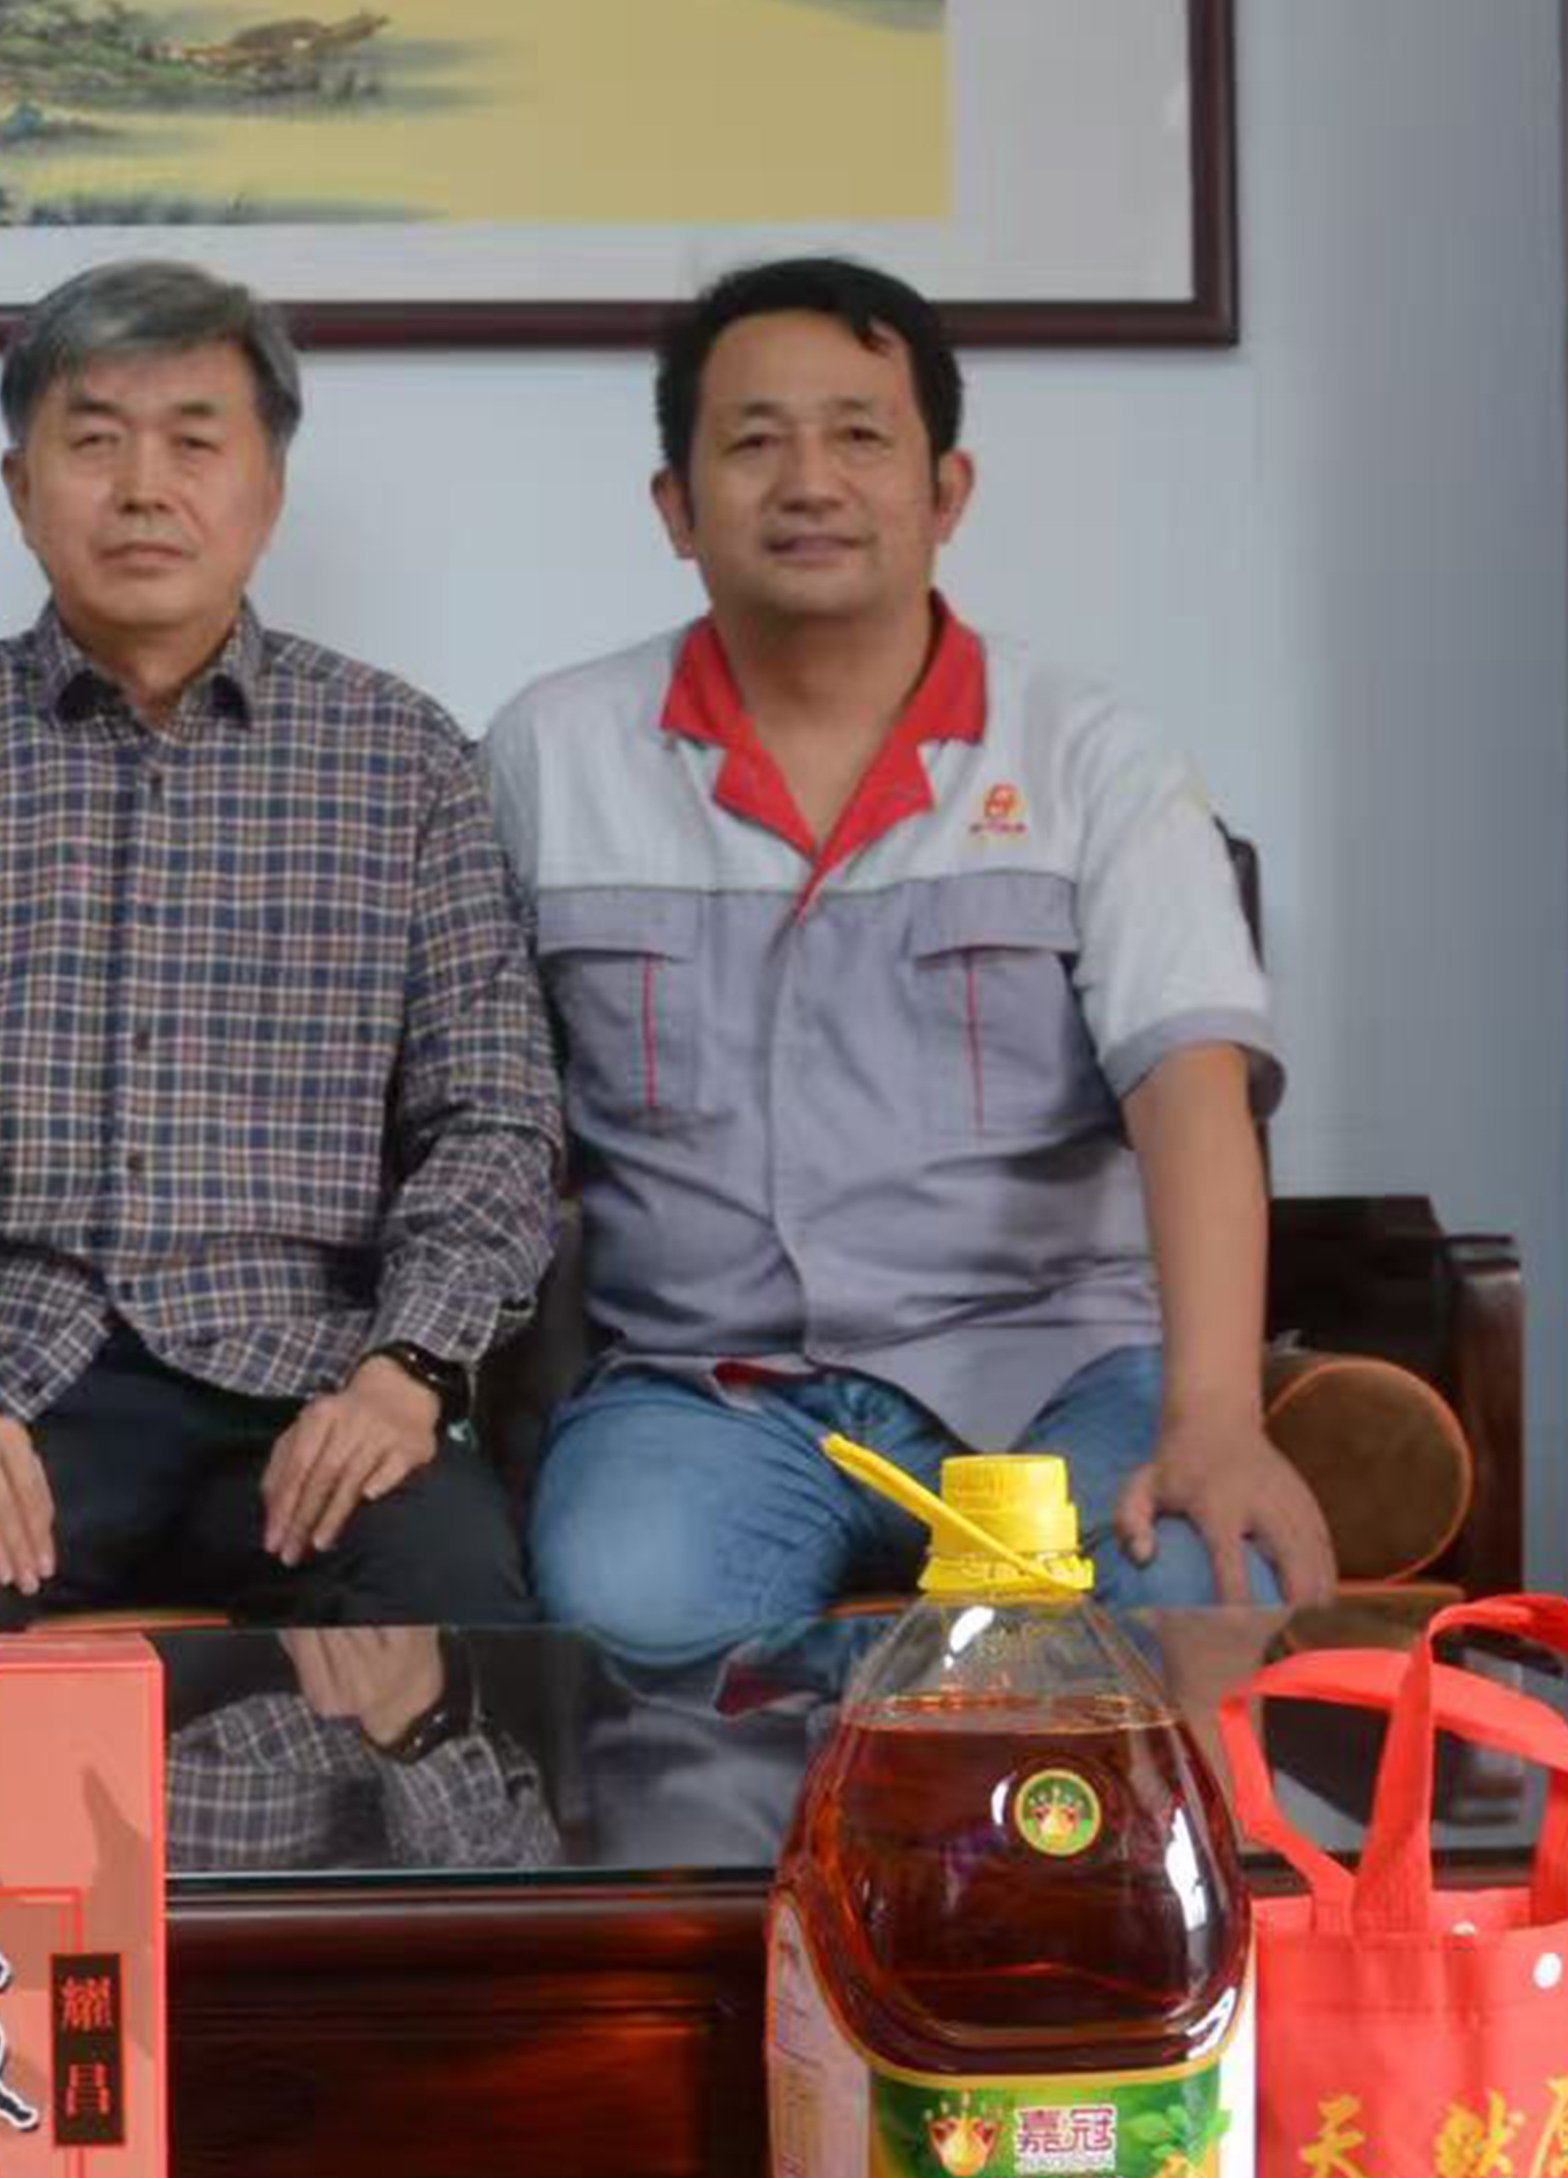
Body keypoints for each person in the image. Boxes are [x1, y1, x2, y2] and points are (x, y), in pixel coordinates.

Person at [486, 255, 1331, 1668]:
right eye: (755, 443)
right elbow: (473, 1102)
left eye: (860, 436)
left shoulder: (1092, 758)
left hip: (1052, 1382)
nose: (810, 482)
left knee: (1190, 1579)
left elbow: (1191, 1092)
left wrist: (1214, 1419)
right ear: (677, 508)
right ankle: (915, 1731)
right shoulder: (551, 756)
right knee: (622, 1604)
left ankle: (931, 1734)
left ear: (946, 493)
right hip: (710, 1391)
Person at [0, 259, 560, 1635]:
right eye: (94, 442)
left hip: (306, 1383)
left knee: (449, 1593)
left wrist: (408, 1371)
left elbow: (492, 1119)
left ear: (268, 492)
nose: (142, 488)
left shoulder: (402, 758)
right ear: (21, 490)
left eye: (194, 442)